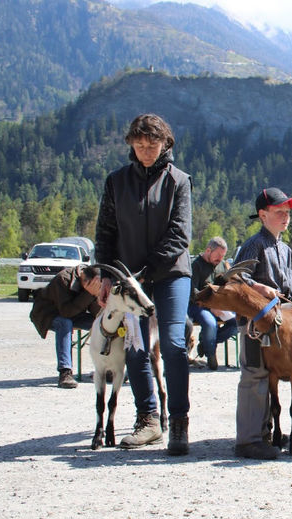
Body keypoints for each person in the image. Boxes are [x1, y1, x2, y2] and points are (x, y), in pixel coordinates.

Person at [95, 113, 193, 455]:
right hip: (128, 279)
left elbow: (180, 233)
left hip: (170, 274)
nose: (146, 151)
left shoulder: (179, 180)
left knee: (173, 343)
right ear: (130, 146)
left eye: (152, 145)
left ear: (166, 144)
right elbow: (105, 232)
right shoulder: (115, 181)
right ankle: (148, 420)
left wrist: (149, 269)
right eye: (139, 145)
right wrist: (107, 274)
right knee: (134, 345)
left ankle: (178, 420)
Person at [233, 187, 292, 460]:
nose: (286, 217)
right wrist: (259, 286)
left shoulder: (285, 249)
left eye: (288, 212)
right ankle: (248, 440)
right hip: (254, 322)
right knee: (255, 374)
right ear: (263, 215)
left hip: (282, 323)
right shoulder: (253, 245)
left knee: (271, 375)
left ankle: (263, 433)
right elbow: (235, 279)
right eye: (279, 212)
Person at [29, 265, 102, 388]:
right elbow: (66, 312)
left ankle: (106, 369)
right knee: (65, 323)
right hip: (49, 313)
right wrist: (89, 294)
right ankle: (65, 372)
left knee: (102, 323)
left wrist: (96, 296)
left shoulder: (93, 283)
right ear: (84, 279)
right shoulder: (63, 279)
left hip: (75, 312)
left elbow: (97, 313)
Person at [188, 236, 237, 371]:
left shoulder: (220, 264)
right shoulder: (195, 265)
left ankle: (206, 343)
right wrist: (210, 305)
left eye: (223, 256)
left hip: (218, 305)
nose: (220, 259)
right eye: (218, 255)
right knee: (210, 323)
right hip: (198, 306)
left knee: (237, 322)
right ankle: (211, 355)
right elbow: (193, 293)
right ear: (208, 250)